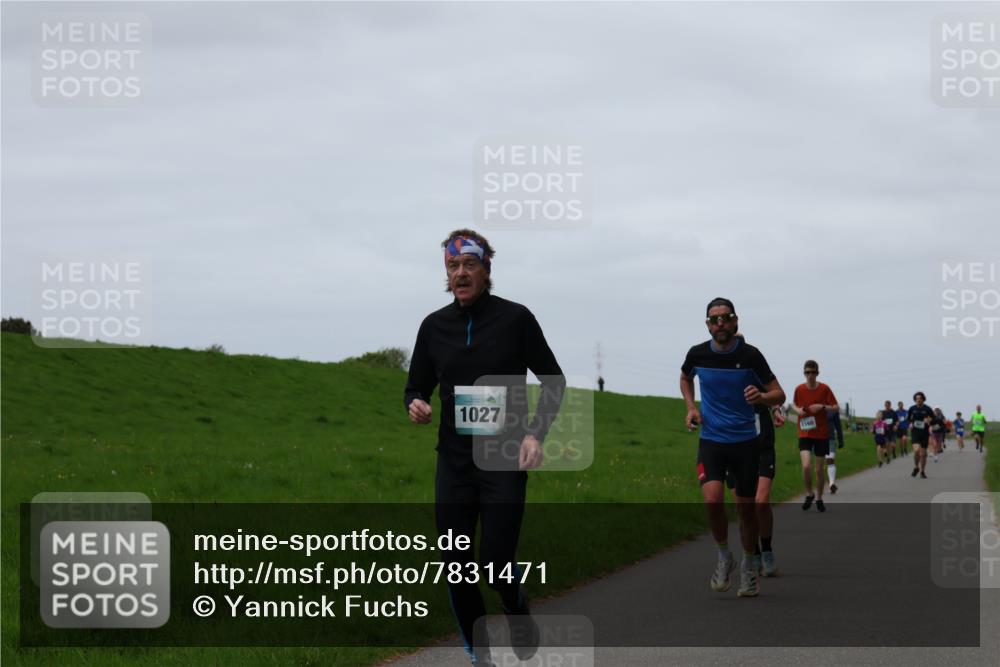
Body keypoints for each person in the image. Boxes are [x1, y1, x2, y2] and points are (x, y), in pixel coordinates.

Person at [404, 229, 565, 665]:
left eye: (468, 265)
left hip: (503, 459)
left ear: (486, 269)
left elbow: (553, 380)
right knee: (457, 567)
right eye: (453, 266)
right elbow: (415, 386)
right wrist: (415, 404)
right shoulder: (433, 327)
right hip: (454, 464)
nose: (460, 273)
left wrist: (535, 434)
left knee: (495, 563)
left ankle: (515, 605)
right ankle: (480, 655)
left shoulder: (516, 319)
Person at [680, 298, 785, 597]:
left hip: (745, 444)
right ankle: (725, 556)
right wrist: (690, 408)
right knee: (712, 500)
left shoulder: (751, 356)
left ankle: (750, 566)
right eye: (714, 320)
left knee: (746, 509)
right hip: (712, 440)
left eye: (726, 318)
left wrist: (762, 398)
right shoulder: (697, 354)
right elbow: (685, 377)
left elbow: (779, 393)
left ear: (736, 320)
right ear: (707, 324)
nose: (720, 324)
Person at [792, 360, 839, 512]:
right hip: (805, 432)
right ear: (804, 373)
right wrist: (797, 410)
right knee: (806, 466)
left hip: (821, 434)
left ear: (817, 373)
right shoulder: (799, 389)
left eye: (813, 372)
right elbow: (793, 404)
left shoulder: (825, 389)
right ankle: (809, 493)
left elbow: (836, 407)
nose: (810, 375)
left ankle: (819, 497)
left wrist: (822, 406)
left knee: (819, 470)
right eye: (807, 372)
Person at [908, 392, 935, 479]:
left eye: (919, 398)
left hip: (924, 433)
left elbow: (934, 419)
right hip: (915, 432)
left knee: (923, 454)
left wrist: (928, 420)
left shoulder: (927, 409)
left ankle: (922, 471)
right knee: (916, 450)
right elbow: (908, 419)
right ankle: (916, 467)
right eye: (916, 398)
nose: (918, 400)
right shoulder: (912, 408)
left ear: (923, 399)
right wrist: (910, 423)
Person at [825, 407, 845, 493]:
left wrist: (841, 440)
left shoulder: (833, 411)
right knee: (820, 463)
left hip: (830, 439)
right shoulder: (814, 407)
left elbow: (838, 426)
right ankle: (820, 486)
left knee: (830, 459)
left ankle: (831, 483)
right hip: (817, 439)